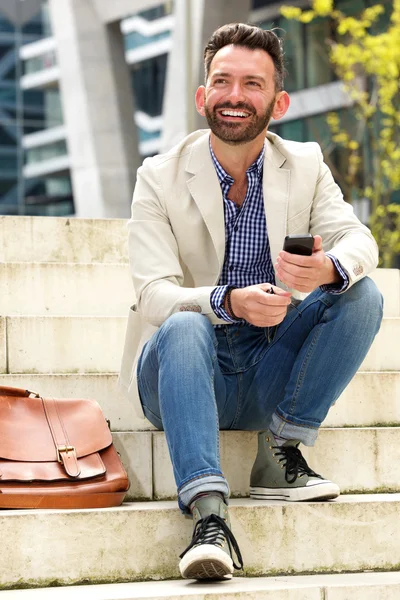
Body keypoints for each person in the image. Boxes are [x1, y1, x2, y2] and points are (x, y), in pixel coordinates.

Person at [119, 23, 383, 581]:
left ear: (278, 101)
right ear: (202, 96)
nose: (235, 96)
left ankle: (279, 449)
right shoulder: (158, 177)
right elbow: (152, 294)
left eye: (252, 84)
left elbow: (360, 241)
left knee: (360, 293)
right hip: (181, 370)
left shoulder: (306, 164)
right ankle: (209, 518)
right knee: (187, 324)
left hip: (267, 365)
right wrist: (228, 302)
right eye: (223, 81)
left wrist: (328, 267)